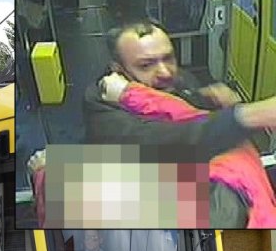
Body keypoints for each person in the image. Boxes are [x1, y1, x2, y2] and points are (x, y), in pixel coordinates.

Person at [83, 18, 276, 227]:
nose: (165, 72)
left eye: (168, 58)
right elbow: (164, 143)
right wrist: (246, 116)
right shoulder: (102, 106)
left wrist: (202, 97)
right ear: (118, 70)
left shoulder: (179, 80)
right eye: (146, 65)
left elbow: (182, 111)